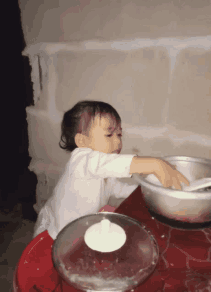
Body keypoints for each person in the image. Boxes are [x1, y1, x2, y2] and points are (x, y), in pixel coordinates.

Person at [33, 100, 189, 239]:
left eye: (119, 134)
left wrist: (149, 191)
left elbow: (119, 189)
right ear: (82, 141)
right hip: (54, 234)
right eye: (109, 134)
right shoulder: (81, 160)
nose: (117, 141)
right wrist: (155, 164)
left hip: (81, 226)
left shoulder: (103, 171)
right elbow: (115, 164)